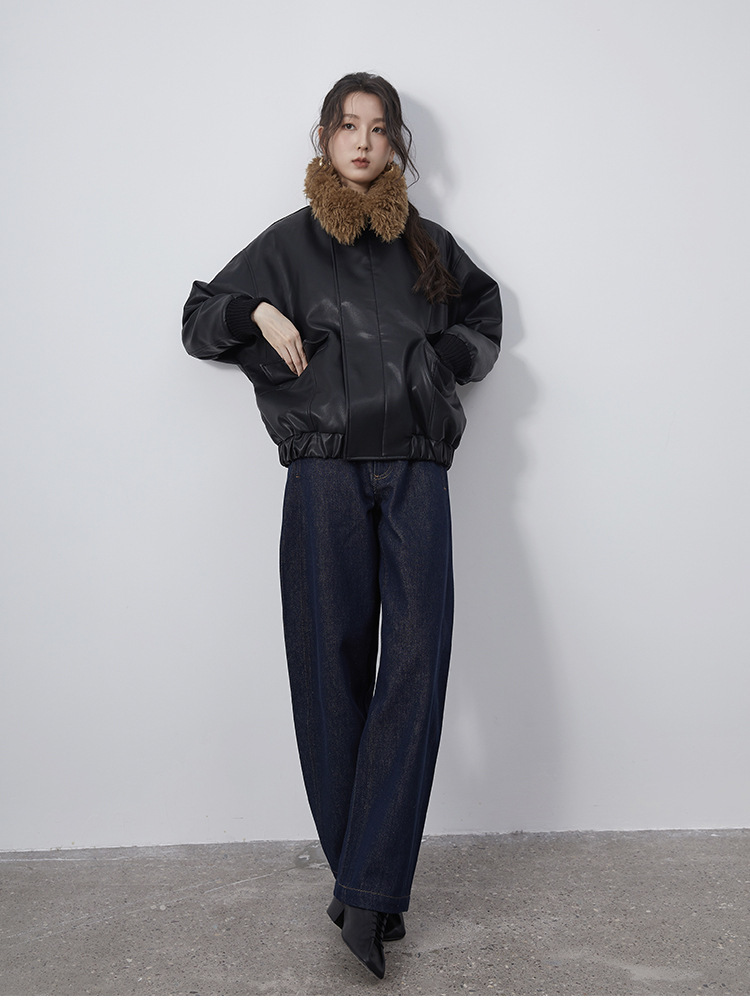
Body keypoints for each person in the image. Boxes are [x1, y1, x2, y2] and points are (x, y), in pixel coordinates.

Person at [182, 72, 502, 980]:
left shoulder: (427, 243)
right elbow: (197, 318)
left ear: (397, 144)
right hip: (322, 472)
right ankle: (368, 886)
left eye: (379, 128)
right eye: (348, 126)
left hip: (415, 471)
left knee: (415, 667)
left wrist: (434, 365)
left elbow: (484, 314)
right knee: (328, 671)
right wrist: (255, 308)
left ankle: (364, 889)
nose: (363, 142)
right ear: (324, 138)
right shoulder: (287, 244)